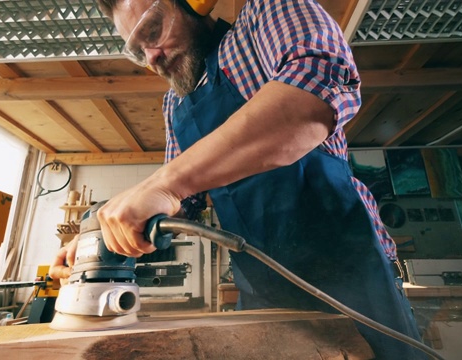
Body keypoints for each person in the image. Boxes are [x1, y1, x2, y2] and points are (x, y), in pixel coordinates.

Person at [50, 0, 425, 358]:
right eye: (137, 50)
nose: (151, 56)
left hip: (354, 280)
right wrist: (101, 241)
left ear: (193, 2)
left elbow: (314, 88)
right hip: (263, 293)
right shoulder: (173, 104)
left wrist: (165, 184)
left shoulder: (263, 16)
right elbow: (182, 207)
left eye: (153, 30)